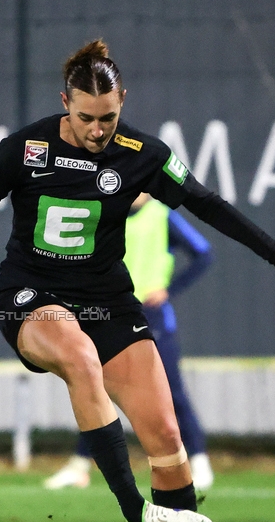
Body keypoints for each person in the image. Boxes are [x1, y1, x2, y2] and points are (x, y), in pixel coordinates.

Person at [0, 40, 275, 522]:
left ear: (122, 102)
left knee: (165, 436)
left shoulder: (142, 154)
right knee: (80, 357)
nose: (96, 129)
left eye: (107, 117)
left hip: (109, 300)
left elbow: (206, 204)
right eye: (85, 117)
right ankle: (135, 510)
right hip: (30, 297)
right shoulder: (27, 147)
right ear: (66, 102)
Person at [45, 192, 217, 491]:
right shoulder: (108, 216)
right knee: (97, 389)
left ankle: (200, 463)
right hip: (113, 314)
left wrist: (168, 289)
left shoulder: (162, 215)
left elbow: (203, 253)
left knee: (171, 391)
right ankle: (79, 466)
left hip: (152, 317)